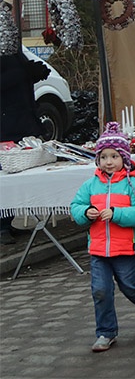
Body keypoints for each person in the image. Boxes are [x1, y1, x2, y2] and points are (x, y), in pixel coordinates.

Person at [71, 122, 135, 352]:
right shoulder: (90, 185)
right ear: (97, 160)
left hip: (125, 248)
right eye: (104, 157)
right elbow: (76, 206)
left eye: (114, 156)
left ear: (124, 159)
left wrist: (118, 214)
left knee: (130, 286)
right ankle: (106, 332)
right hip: (98, 249)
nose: (109, 162)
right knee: (100, 290)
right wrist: (85, 213)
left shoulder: (134, 184)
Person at [1, 15, 50, 244]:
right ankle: (1, 226)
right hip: (5, 123)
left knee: (17, 174)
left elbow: (19, 71)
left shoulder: (10, 45)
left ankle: (8, 221)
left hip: (21, 116)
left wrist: (34, 70)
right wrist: (24, 74)